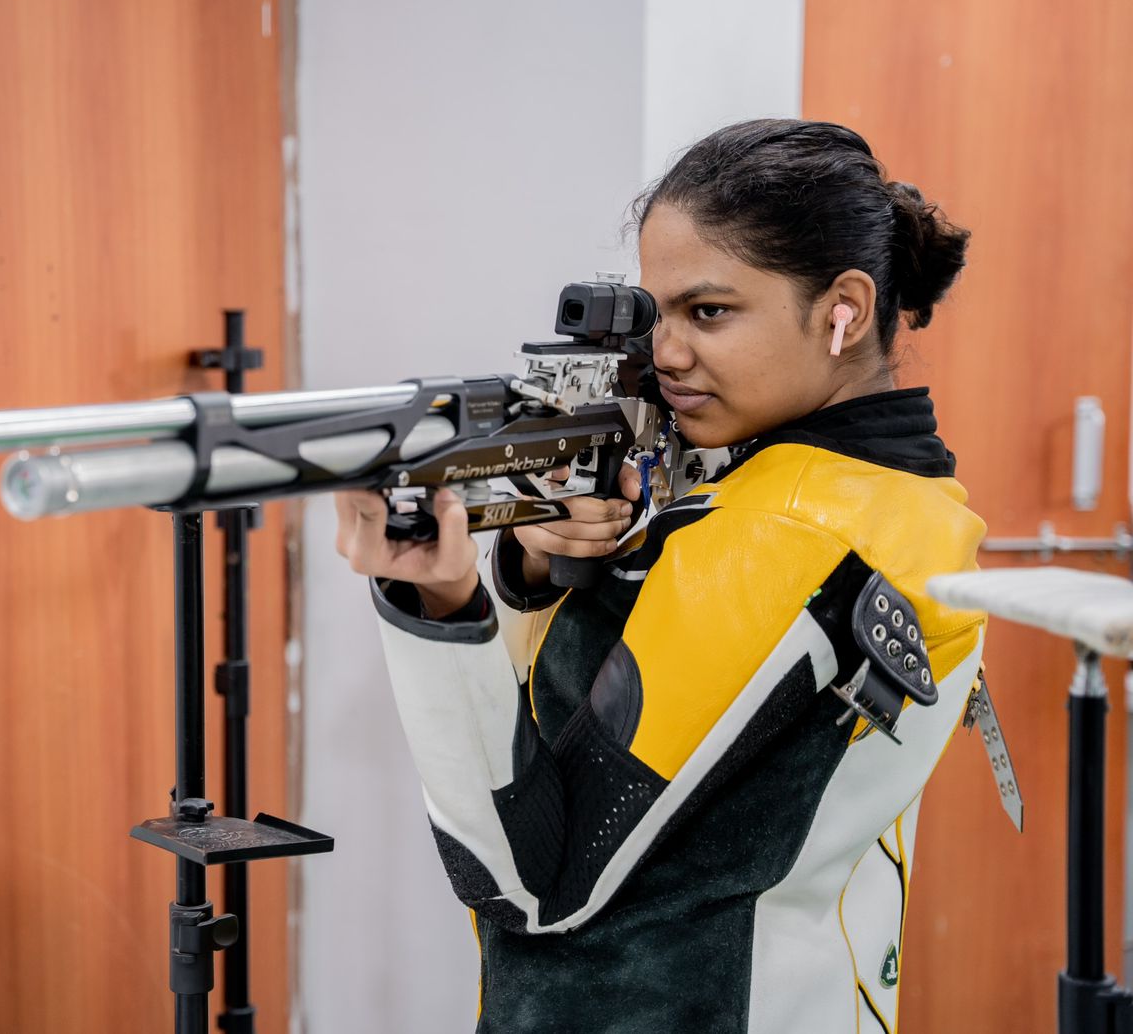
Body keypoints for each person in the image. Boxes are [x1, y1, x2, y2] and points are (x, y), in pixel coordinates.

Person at [334, 119, 983, 1033]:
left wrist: (439, 604)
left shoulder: (780, 533)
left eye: (709, 312)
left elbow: (529, 881)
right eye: (657, 311)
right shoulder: (897, 495)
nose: (667, 353)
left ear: (846, 307)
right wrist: (538, 560)